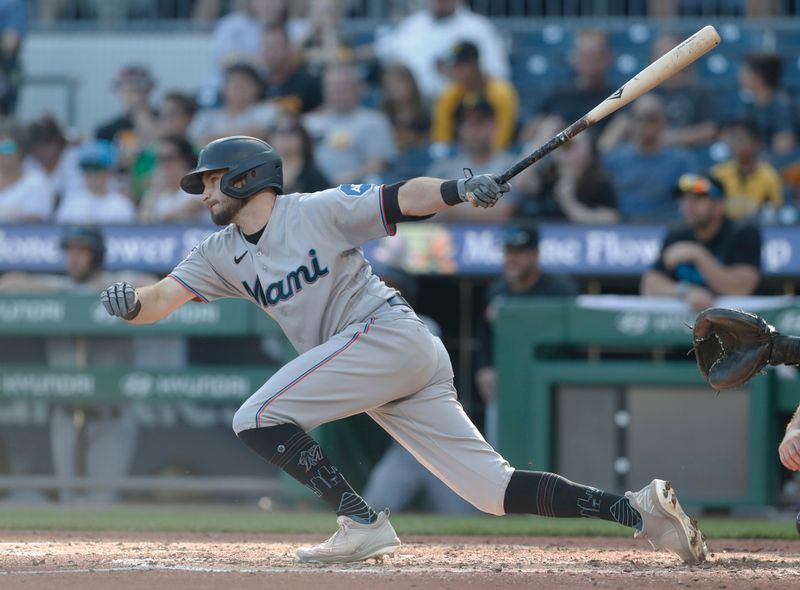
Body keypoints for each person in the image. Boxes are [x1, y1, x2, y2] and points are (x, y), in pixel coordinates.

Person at [99, 134, 707, 566]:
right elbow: (161, 299)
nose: (203, 194)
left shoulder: (314, 211)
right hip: (381, 362)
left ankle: (361, 522)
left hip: (385, 335)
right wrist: (132, 303)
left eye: (209, 182)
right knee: (493, 493)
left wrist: (456, 188)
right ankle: (637, 511)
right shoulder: (218, 252)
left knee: (257, 416)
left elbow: (402, 198)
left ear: (243, 178)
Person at [0, 226, 154, 503]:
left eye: (82, 251)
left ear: (96, 256)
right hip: (67, 414)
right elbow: (9, 283)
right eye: (70, 251)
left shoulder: (116, 286)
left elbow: (152, 283)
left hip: (110, 414)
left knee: (102, 502)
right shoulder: (59, 288)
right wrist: (67, 293)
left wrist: (98, 292)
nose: (74, 258)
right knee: (69, 503)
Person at [362, 263, 476, 515]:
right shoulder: (365, 329)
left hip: (442, 442)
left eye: (393, 287)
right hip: (405, 446)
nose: (385, 292)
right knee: (370, 510)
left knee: (463, 516)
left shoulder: (425, 326)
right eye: (381, 285)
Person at [475, 224, 578, 448]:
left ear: (535, 254)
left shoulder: (559, 288)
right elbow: (485, 335)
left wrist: (510, 317)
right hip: (507, 381)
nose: (512, 259)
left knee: (553, 445)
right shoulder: (497, 290)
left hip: (549, 380)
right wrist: (485, 367)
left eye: (519, 253)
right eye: (508, 252)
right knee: (503, 448)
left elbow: (563, 340)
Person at [640, 173, 761, 312]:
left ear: (719, 205)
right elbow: (650, 285)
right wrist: (685, 291)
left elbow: (741, 288)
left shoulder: (743, 233)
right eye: (684, 198)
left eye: (698, 198)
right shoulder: (676, 236)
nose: (688, 204)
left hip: (738, 325)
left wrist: (697, 255)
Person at [373, 0, 509, 101]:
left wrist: (457, 74)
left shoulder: (479, 28)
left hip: (462, 106)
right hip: (415, 107)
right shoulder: (413, 24)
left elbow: (498, 75)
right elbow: (384, 50)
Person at [426, 94, 520, 222]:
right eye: (465, 123)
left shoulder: (510, 165)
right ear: (458, 128)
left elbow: (504, 211)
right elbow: (426, 210)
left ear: (493, 125)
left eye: (479, 121)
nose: (472, 128)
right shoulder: (443, 169)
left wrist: (450, 208)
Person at [602, 95, 696, 221]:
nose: (644, 124)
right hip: (623, 228)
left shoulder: (681, 160)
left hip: (668, 226)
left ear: (663, 122)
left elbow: (691, 198)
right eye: (639, 119)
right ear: (630, 122)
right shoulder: (615, 159)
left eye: (651, 119)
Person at [303, 63, 396, 185]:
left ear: (357, 89)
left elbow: (379, 163)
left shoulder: (374, 121)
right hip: (310, 190)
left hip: (354, 191)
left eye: (343, 88)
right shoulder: (309, 122)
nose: (337, 93)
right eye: (332, 88)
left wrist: (353, 176)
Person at [515, 130, 619, 223]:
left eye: (571, 144)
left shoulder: (600, 185)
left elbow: (610, 221)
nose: (564, 148)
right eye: (562, 143)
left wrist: (569, 203)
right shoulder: (546, 177)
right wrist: (541, 142)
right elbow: (519, 182)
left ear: (590, 153)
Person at [431, 41, 519, 150]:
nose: (455, 70)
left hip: (495, 158)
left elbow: (503, 139)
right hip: (459, 158)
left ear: (475, 63)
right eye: (453, 66)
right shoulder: (448, 94)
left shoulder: (501, 92)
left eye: (460, 65)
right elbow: (442, 139)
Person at [189, 63, 279, 146]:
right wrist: (245, 133)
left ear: (257, 88)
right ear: (223, 88)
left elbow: (264, 133)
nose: (241, 89)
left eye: (246, 84)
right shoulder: (206, 116)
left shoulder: (269, 111)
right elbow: (194, 140)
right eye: (236, 85)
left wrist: (215, 137)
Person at [711, 119, 783, 221]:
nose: (736, 145)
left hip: (757, 229)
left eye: (741, 140)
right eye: (733, 140)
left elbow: (775, 211)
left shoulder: (769, 176)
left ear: (756, 143)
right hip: (725, 229)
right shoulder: (718, 174)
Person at [54, 140, 136, 224]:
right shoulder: (71, 203)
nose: (93, 175)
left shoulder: (122, 205)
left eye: (98, 169)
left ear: (109, 172)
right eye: (88, 170)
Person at [737, 52, 797, 156]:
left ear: (759, 76)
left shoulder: (781, 105)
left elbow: (785, 145)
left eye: (746, 72)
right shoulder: (752, 105)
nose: (740, 76)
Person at [139, 135, 205, 223]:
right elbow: (142, 219)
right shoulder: (156, 190)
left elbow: (194, 206)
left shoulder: (196, 178)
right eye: (160, 159)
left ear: (184, 160)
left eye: (168, 158)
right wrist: (155, 192)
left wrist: (160, 217)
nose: (164, 165)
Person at [0, 118, 55, 222]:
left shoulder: (37, 183)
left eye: (6, 147)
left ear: (21, 149)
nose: (1, 153)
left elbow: (36, 222)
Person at [261, 25, 323, 115]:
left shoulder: (310, 84)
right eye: (266, 47)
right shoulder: (257, 86)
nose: (270, 52)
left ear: (289, 48)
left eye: (275, 47)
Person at [24, 113, 84, 200]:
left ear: (57, 141)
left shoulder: (73, 157)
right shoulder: (29, 162)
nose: (42, 149)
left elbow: (76, 196)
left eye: (47, 143)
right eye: (38, 145)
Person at [267, 111, 330, 194]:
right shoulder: (262, 175)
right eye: (277, 130)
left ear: (302, 136)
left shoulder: (314, 177)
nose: (284, 135)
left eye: (291, 130)